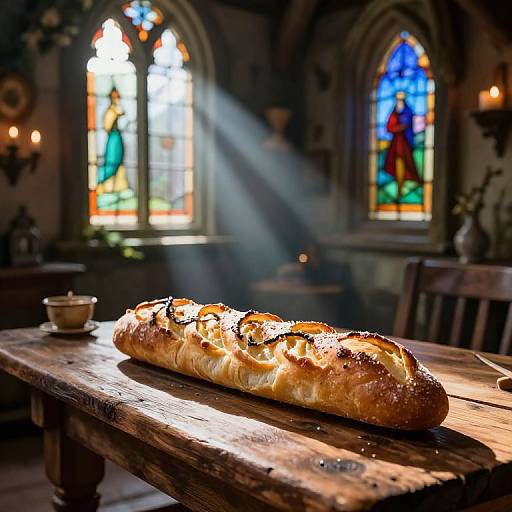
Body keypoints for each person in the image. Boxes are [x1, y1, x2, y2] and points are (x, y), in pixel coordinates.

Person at [383, 91, 421, 202]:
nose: (399, 102)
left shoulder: (407, 111)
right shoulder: (394, 112)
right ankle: (399, 188)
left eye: (401, 100)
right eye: (397, 100)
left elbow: (407, 124)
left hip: (404, 142)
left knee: (408, 163)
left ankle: (411, 183)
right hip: (396, 142)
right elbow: (389, 126)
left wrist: (400, 127)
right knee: (395, 164)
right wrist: (397, 127)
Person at [97, 87, 130, 195]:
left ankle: (119, 187)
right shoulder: (110, 111)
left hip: (117, 138)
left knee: (119, 162)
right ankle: (103, 185)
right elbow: (107, 126)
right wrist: (115, 115)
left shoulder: (118, 108)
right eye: (114, 96)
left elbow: (126, 119)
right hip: (112, 140)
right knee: (112, 161)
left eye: (117, 96)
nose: (116, 98)